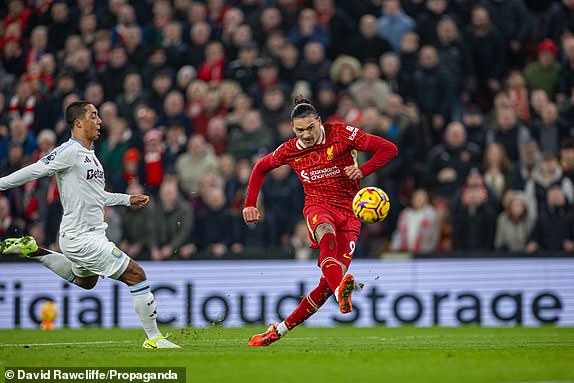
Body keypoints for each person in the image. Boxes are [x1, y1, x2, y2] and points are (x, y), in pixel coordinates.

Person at [0, 101, 179, 349]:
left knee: (86, 281)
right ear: (78, 123)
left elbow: (99, 197)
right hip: (81, 238)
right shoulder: (68, 151)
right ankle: (154, 339)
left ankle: (34, 251)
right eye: (93, 116)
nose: (100, 121)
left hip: (90, 236)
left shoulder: (91, 157)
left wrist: (127, 199)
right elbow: (35, 170)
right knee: (137, 275)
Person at [242, 97, 398, 346]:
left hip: (350, 213)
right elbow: (260, 167)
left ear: (319, 122)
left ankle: (277, 331)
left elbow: (389, 148)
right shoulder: (290, 148)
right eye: (299, 130)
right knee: (325, 233)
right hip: (318, 206)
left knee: (325, 286)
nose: (305, 134)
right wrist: (250, 203)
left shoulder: (343, 134)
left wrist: (363, 170)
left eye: (309, 128)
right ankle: (341, 292)